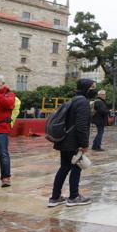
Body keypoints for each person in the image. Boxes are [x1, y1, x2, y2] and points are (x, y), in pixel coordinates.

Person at [48, 79, 94, 207]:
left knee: (64, 168)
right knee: (76, 168)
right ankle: (73, 197)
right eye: (93, 87)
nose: (93, 90)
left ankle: (55, 197)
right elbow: (81, 125)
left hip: (65, 140)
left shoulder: (73, 99)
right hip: (74, 142)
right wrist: (84, 144)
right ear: (87, 88)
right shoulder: (83, 102)